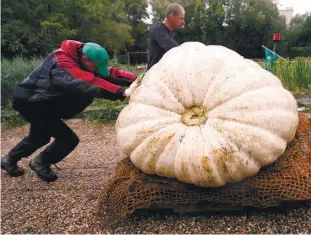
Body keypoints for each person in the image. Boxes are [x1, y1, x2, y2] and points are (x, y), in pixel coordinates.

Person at [1, 40, 142, 182]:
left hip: (45, 102)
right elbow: (87, 82)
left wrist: (137, 79)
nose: (96, 70)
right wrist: (122, 92)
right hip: (31, 102)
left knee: (39, 136)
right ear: (85, 59)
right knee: (67, 139)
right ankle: (40, 162)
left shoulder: (82, 58)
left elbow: (108, 72)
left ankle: (9, 160)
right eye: (95, 66)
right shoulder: (62, 63)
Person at [147, 3, 185, 70]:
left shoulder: (167, 33)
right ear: (172, 16)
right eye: (181, 18)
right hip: (153, 77)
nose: (183, 22)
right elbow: (173, 48)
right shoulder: (158, 29)